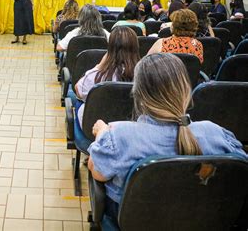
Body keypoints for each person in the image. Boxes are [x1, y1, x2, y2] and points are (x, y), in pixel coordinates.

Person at [87, 53, 246, 230]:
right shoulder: (215, 133)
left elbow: (97, 171)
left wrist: (102, 134)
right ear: (186, 90)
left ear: (138, 94)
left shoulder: (119, 135)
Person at [75, 26, 140, 127]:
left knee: (79, 102)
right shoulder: (145, 76)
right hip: (130, 129)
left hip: (95, 128)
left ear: (109, 48)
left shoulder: (98, 75)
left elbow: (79, 91)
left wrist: (99, 66)